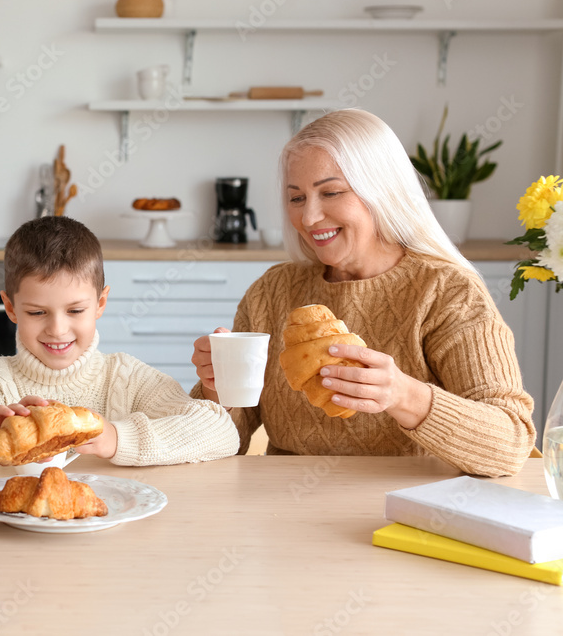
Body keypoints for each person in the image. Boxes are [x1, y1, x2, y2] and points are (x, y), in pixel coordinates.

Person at [191, 108, 535, 477]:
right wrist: (216, 391)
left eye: (331, 192)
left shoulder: (448, 292)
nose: (308, 218)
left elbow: (510, 443)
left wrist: (404, 395)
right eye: (296, 198)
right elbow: (219, 445)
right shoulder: (271, 291)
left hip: (407, 513)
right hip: (281, 509)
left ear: (381, 191)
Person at [0, 216, 239, 483]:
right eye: (37, 313)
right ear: (10, 308)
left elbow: (221, 432)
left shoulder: (124, 378)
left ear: (100, 303)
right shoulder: (0, 382)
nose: (57, 329)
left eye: (75, 311)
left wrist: (115, 438)